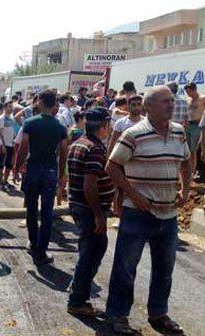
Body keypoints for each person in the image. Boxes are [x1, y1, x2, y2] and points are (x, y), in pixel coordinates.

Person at [105, 86, 189, 335]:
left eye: (172, 101)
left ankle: (159, 314)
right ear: (149, 107)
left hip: (169, 214)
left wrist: (185, 191)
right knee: (126, 267)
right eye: (165, 102)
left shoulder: (178, 132)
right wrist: (133, 195)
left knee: (164, 269)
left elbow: (186, 161)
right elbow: (112, 166)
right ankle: (117, 315)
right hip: (138, 213)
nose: (171, 106)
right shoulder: (134, 134)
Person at [66, 107, 114, 317]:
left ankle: (77, 288)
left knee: (94, 249)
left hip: (79, 206)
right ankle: (77, 300)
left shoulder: (78, 143)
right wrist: (98, 215)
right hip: (89, 209)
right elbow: (89, 185)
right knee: (90, 253)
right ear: (104, 127)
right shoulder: (95, 148)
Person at [14, 90, 68, 265]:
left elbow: (23, 148)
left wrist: (16, 167)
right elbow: (63, 152)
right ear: (54, 105)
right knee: (47, 212)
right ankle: (42, 251)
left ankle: (33, 242)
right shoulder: (60, 127)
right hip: (50, 171)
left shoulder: (30, 123)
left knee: (31, 209)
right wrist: (61, 175)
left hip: (33, 169)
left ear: (40, 102)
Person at [0, 102, 17, 190]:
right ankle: (1, 182)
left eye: (11, 107)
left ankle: (5, 181)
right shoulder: (2, 118)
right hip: (4, 145)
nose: (11, 108)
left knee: (9, 165)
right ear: (5, 108)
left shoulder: (12, 117)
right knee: (1, 164)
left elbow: (13, 131)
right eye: (9, 107)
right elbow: (0, 133)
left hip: (11, 144)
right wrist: (3, 145)